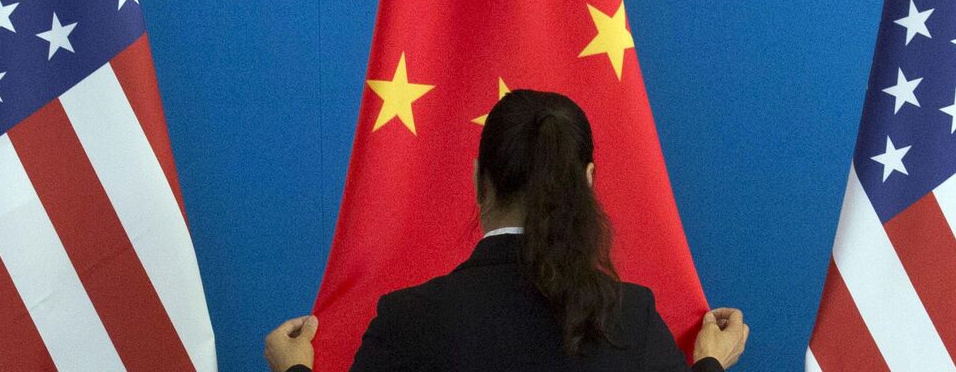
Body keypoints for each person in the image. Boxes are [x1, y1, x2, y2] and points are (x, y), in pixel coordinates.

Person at [265, 89, 749, 372]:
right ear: (588, 182)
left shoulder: (406, 322)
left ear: (479, 178)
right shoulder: (632, 319)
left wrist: (294, 370)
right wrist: (708, 363)